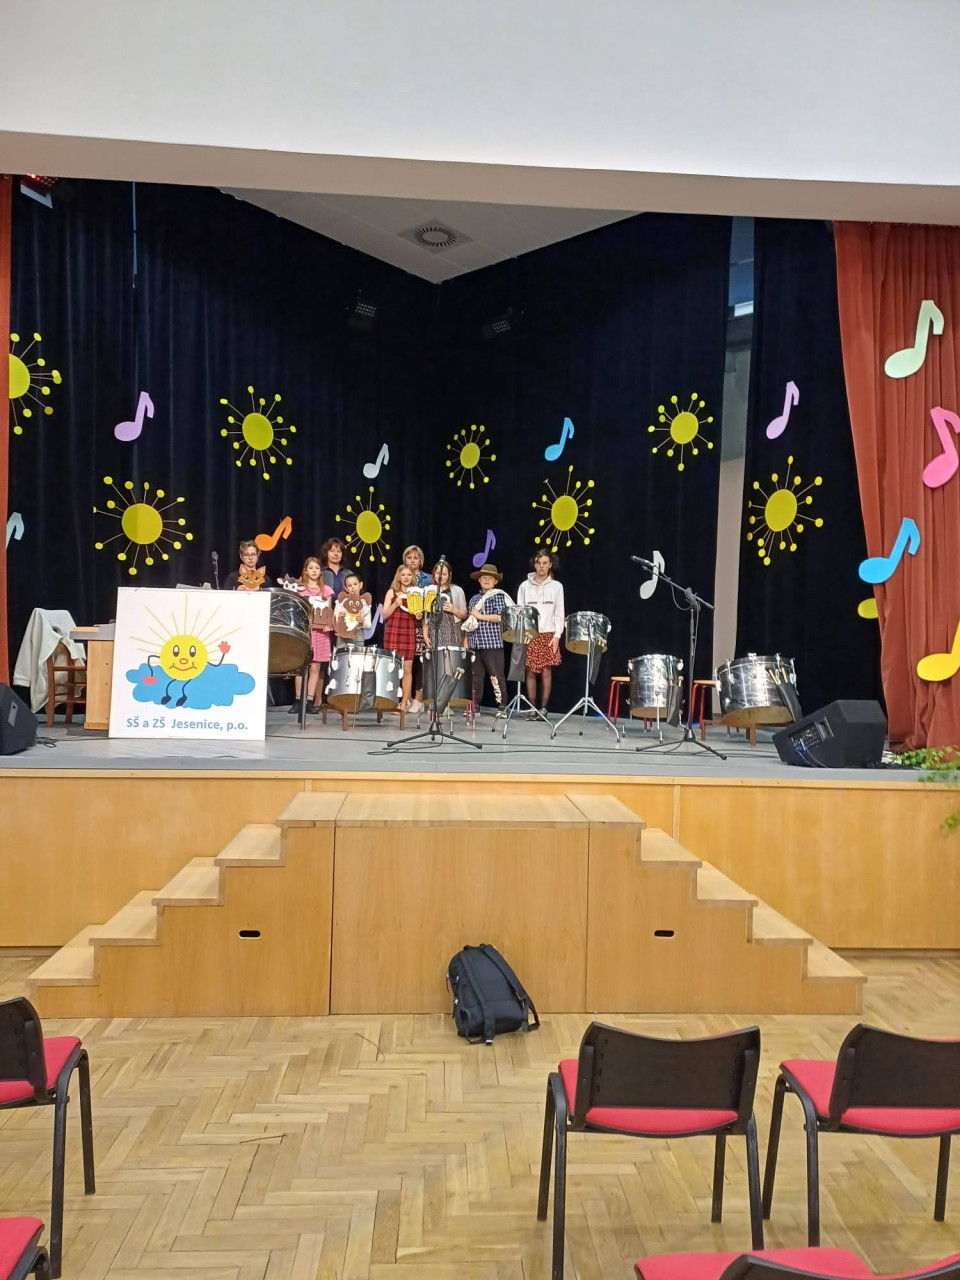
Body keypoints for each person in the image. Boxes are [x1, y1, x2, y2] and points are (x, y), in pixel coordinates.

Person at [517, 550, 565, 714]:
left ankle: (543, 708)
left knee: (546, 671)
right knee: (530, 670)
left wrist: (557, 635)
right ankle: (532, 707)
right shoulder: (524, 586)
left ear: (550, 564)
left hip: (549, 633)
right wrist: (524, 633)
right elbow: (520, 611)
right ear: (534, 564)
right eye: (538, 563)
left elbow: (559, 613)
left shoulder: (557, 587)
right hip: (530, 633)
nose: (541, 566)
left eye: (545, 563)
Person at [289, 555, 334, 714]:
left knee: (315, 667)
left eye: (317, 568)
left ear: (320, 571)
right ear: (306, 571)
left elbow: (328, 611)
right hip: (304, 632)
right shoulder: (299, 589)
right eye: (311, 568)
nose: (314, 571)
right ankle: (297, 700)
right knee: (300, 667)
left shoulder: (326, 590)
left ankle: (309, 700)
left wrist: (328, 624)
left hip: (320, 633)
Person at [465, 563, 508, 713]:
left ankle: (502, 705)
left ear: (495, 581)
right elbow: (469, 620)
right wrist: (466, 639)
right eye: (484, 577)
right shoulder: (474, 599)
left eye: (490, 578)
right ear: (479, 580)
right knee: (476, 676)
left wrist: (480, 616)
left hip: (492, 642)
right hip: (475, 642)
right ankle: (474, 704)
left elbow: (501, 617)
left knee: (496, 675)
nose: (487, 580)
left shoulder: (498, 596)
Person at [383, 564, 419, 713]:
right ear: (399, 576)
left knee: (407, 669)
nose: (406, 577)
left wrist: (419, 615)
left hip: (408, 632)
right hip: (393, 631)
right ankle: (391, 701)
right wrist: (395, 604)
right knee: (391, 668)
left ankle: (404, 703)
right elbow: (384, 614)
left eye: (409, 575)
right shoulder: (392, 592)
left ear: (413, 577)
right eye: (403, 575)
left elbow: (419, 616)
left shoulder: (416, 594)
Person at [422, 559, 467, 649]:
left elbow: (464, 615)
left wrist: (454, 610)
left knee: (452, 657)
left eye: (444, 574)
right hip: (435, 631)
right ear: (434, 574)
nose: (440, 576)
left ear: (449, 575)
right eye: (438, 573)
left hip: (453, 631)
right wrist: (425, 633)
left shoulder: (458, 590)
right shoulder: (428, 590)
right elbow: (425, 615)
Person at [333, 571, 372, 650]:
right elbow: (333, 621)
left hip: (358, 637)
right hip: (342, 637)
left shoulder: (364, 604)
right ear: (346, 588)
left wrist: (362, 622)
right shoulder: (341, 602)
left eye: (355, 584)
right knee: (341, 657)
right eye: (349, 585)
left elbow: (369, 625)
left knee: (357, 657)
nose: (353, 587)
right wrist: (338, 618)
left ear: (360, 585)